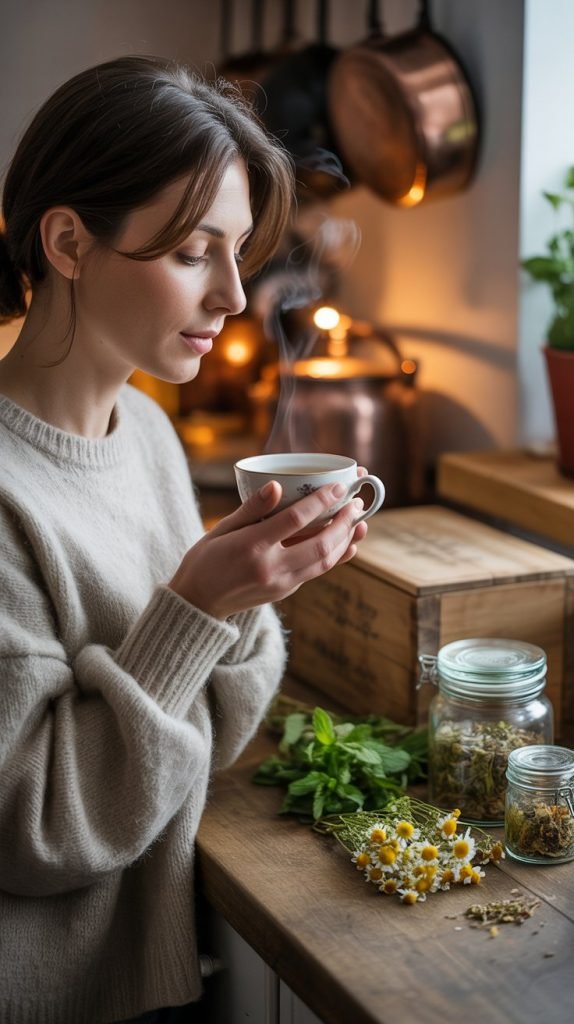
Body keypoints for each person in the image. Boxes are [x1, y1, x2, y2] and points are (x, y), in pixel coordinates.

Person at [0, 55, 369, 1024]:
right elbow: (32, 832)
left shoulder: (150, 434)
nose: (235, 298)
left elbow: (197, 746)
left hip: (156, 977)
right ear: (70, 241)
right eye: (192, 252)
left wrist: (239, 600)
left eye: (239, 252)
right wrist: (195, 605)